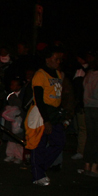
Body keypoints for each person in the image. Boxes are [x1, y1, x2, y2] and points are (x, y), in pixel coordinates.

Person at [25, 46, 66, 186]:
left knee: (59, 142)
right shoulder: (40, 75)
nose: (59, 61)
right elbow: (38, 99)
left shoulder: (58, 74)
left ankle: (39, 167)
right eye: (56, 59)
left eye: (60, 59)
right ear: (48, 59)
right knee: (39, 144)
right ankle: (37, 175)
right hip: (41, 112)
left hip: (54, 112)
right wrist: (46, 120)